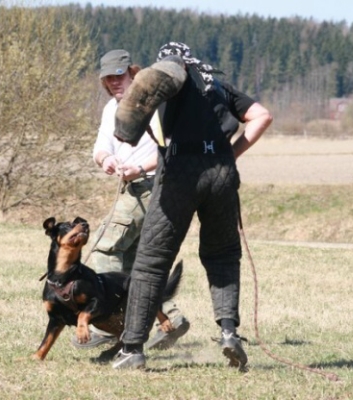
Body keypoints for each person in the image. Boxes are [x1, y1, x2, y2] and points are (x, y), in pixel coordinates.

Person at [111, 42, 273, 370]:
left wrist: (125, 129)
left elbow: (147, 90)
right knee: (224, 254)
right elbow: (261, 116)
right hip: (222, 173)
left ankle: (131, 349)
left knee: (151, 262)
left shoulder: (171, 74)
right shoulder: (218, 84)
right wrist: (230, 153)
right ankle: (229, 333)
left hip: (181, 171)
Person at [71, 49, 190, 352]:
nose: (114, 82)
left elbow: (170, 148)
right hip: (134, 188)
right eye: (108, 78)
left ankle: (114, 321)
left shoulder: (153, 102)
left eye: (119, 75)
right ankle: (171, 319)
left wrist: (139, 168)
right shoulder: (111, 108)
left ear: (133, 72)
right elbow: (100, 146)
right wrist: (106, 159)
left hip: (149, 186)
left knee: (104, 248)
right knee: (136, 263)